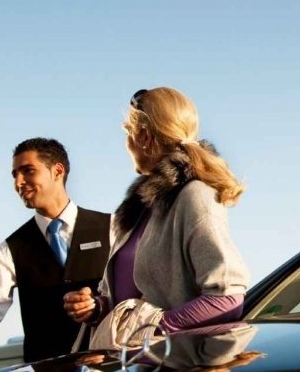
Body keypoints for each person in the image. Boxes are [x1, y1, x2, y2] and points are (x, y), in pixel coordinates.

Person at [63, 87, 249, 338]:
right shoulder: (139, 206)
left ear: (145, 137)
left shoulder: (195, 196)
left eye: (129, 134)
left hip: (171, 369)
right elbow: (131, 296)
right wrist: (97, 307)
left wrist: (152, 331)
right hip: (129, 367)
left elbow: (227, 298)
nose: (126, 144)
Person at [0, 139, 110, 362]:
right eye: (14, 175)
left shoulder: (113, 228)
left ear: (57, 171)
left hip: (111, 370)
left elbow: (136, 292)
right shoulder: (11, 248)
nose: (18, 182)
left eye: (28, 171)